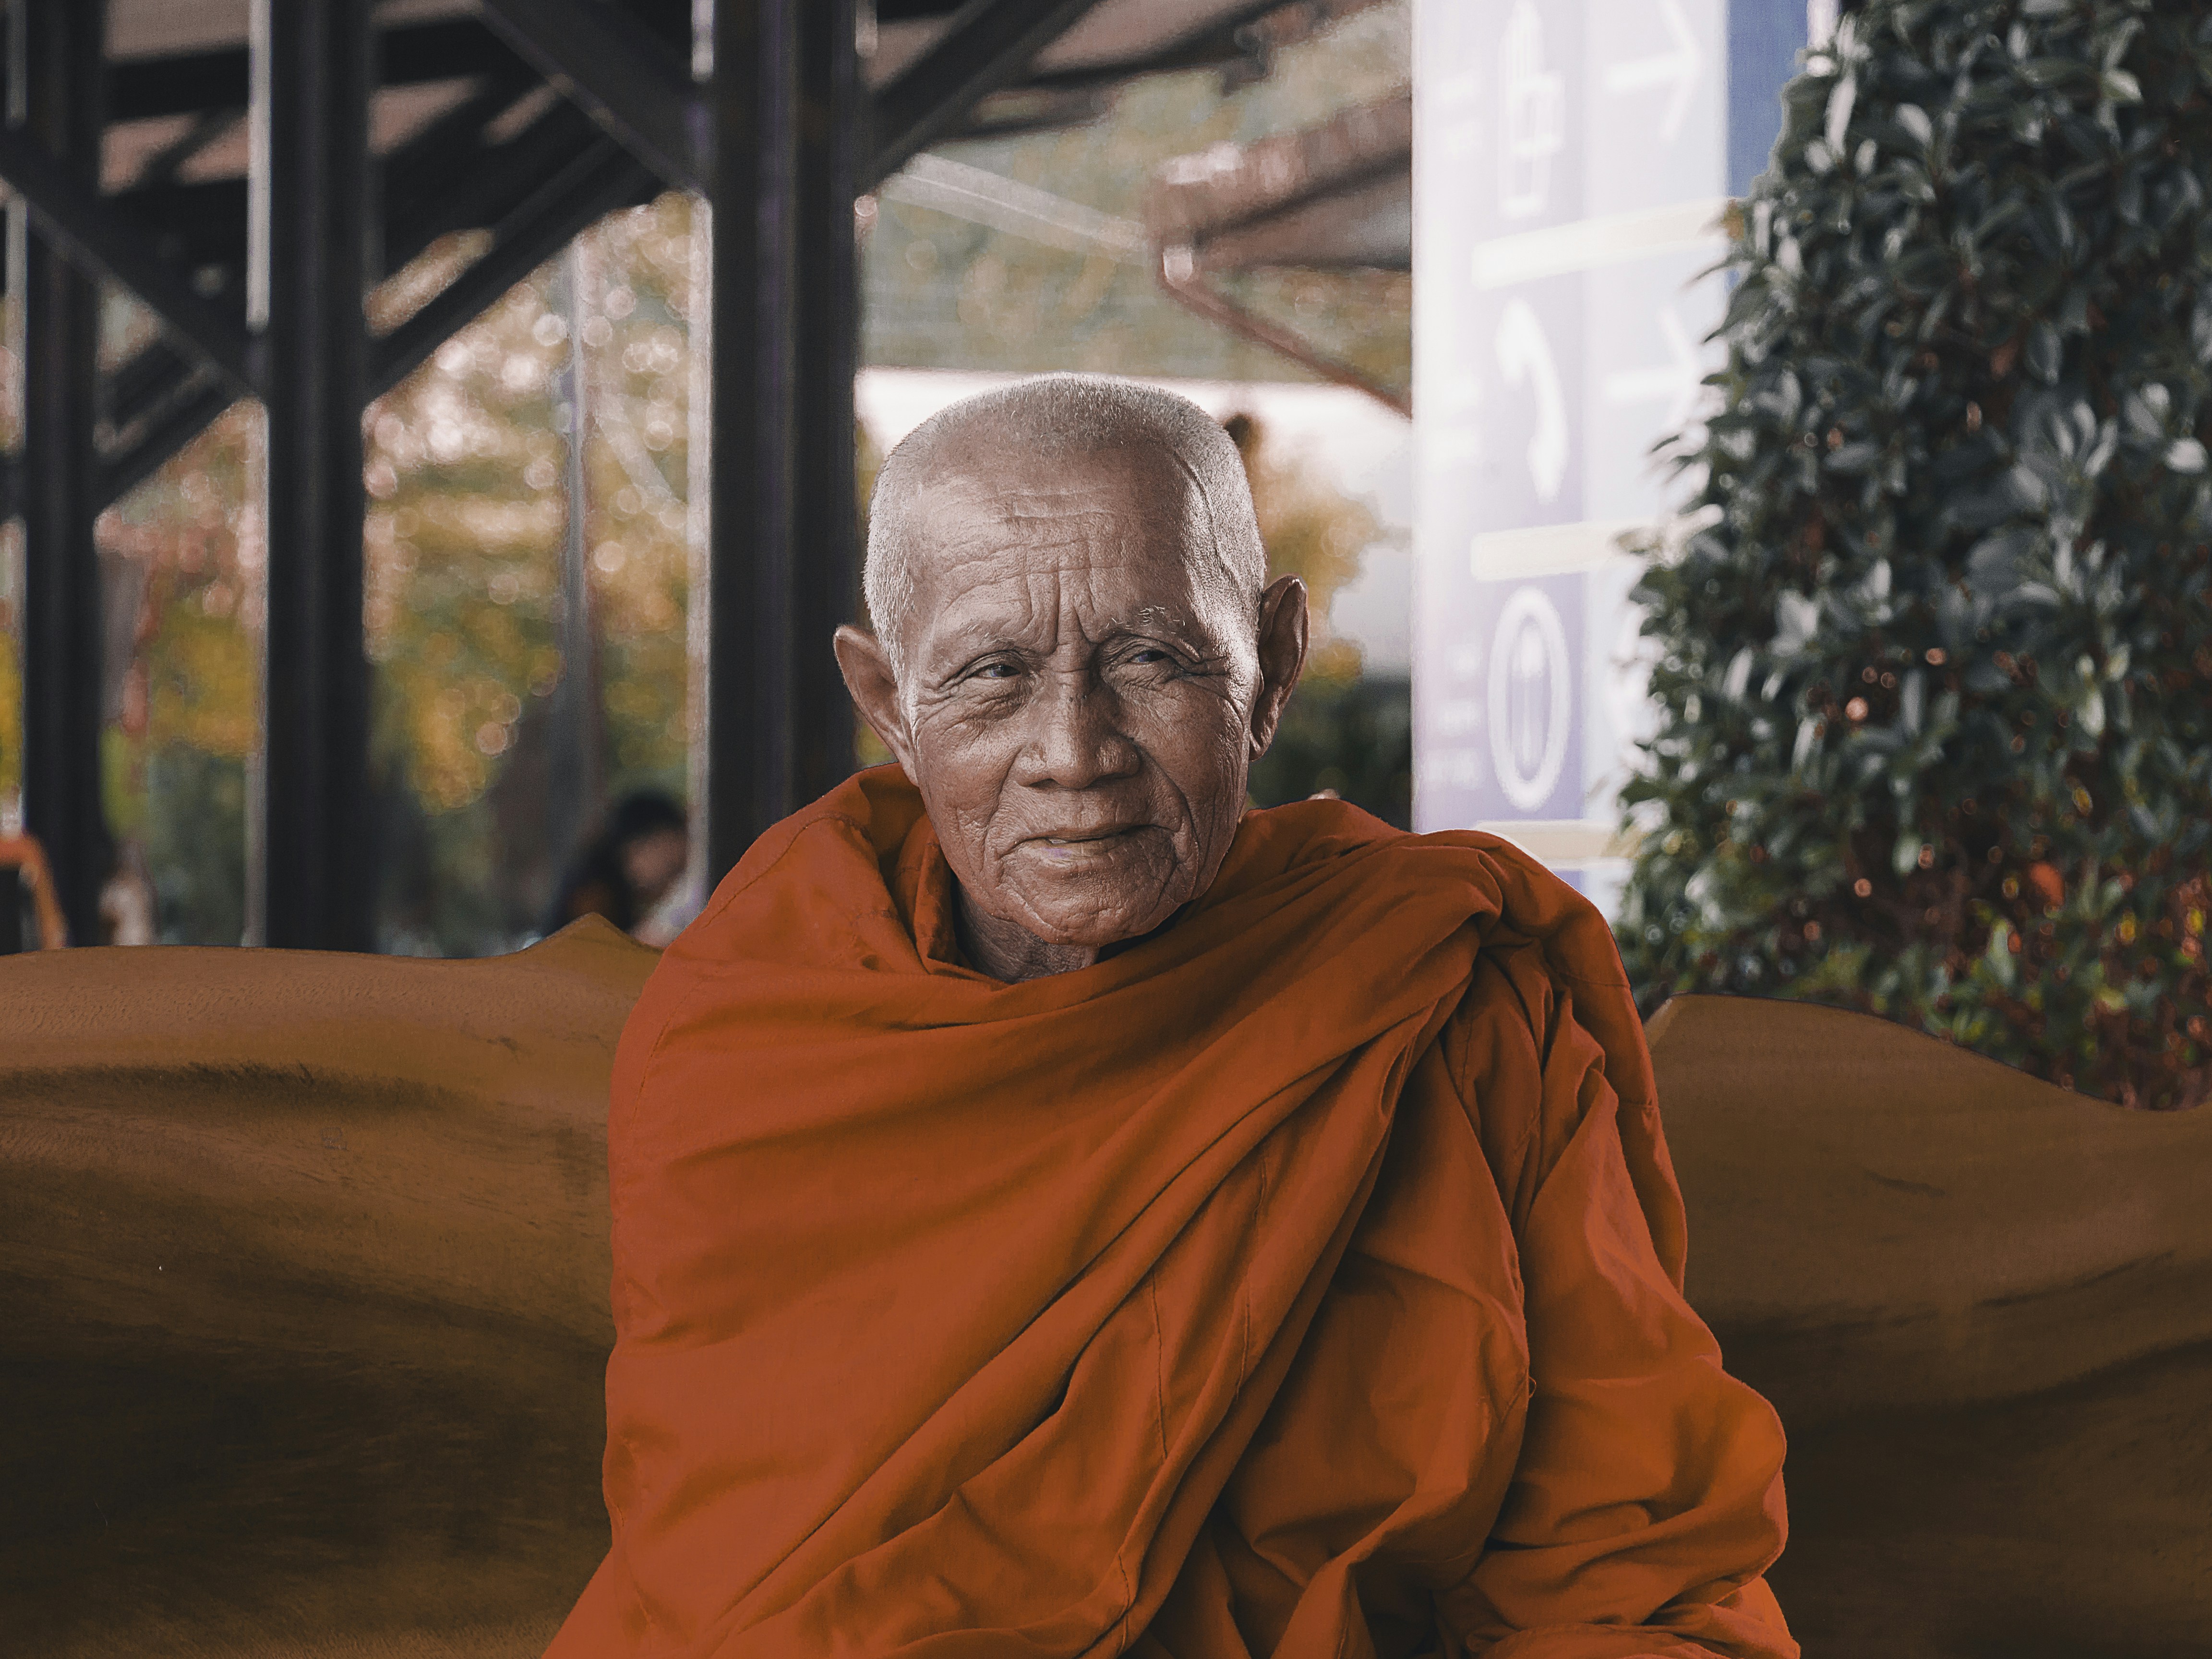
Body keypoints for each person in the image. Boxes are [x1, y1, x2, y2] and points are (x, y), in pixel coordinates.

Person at [546, 377, 1794, 1658]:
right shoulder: (757, 1034)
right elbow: (733, 1580)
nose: (1076, 751)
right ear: (888, 707)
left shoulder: (1444, 1006)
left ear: (1271, 670)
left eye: (1153, 658)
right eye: (990, 673)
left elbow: (1628, 1567)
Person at [545, 790, 689, 942]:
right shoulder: (595, 894)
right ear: (637, 847)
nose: (673, 881)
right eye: (671, 867)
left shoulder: (618, 886)